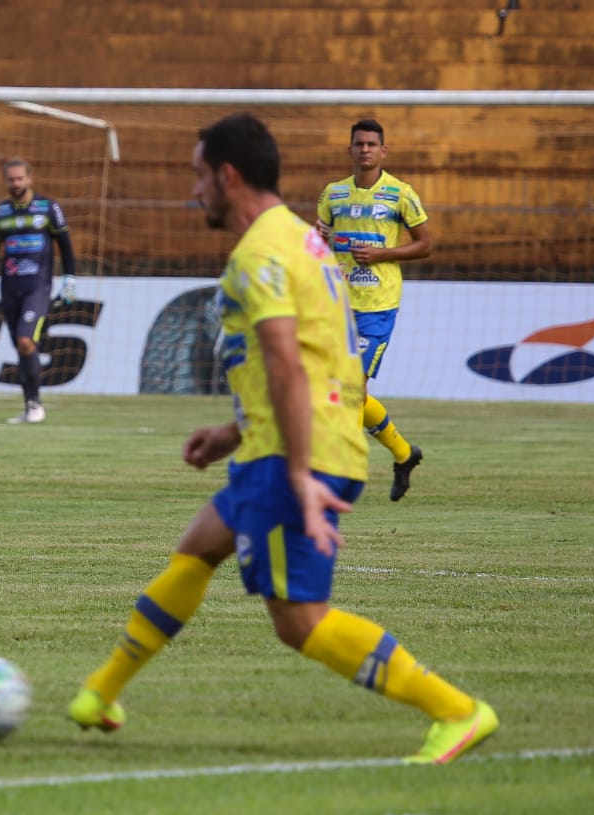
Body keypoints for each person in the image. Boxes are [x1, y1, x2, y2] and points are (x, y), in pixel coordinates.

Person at [68, 114, 497, 765]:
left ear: (228, 176)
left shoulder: (259, 257)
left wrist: (297, 472)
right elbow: (312, 357)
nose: (193, 191)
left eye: (197, 176)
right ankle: (100, 692)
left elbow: (289, 365)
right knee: (197, 549)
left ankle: (457, 710)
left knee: (299, 621)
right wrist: (231, 431)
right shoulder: (303, 239)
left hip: (300, 454)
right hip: (288, 442)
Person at [316, 119, 432, 501]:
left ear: (384, 151)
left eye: (371, 144)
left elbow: (425, 244)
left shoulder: (401, 194)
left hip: (377, 308)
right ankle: (403, 453)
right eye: (359, 144)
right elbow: (318, 243)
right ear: (350, 149)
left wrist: (382, 254)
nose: (365, 149)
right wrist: (315, 240)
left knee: (351, 389)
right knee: (343, 391)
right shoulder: (332, 195)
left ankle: (337, 475)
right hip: (337, 306)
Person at [0, 157, 77, 424]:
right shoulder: (0, 212)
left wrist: (69, 279)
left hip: (38, 288)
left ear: (30, 179)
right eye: (11, 179)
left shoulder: (48, 207)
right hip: (9, 289)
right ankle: (30, 405)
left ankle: (35, 405)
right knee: (23, 348)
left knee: (25, 341)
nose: (16, 183)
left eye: (20, 178)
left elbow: (65, 245)